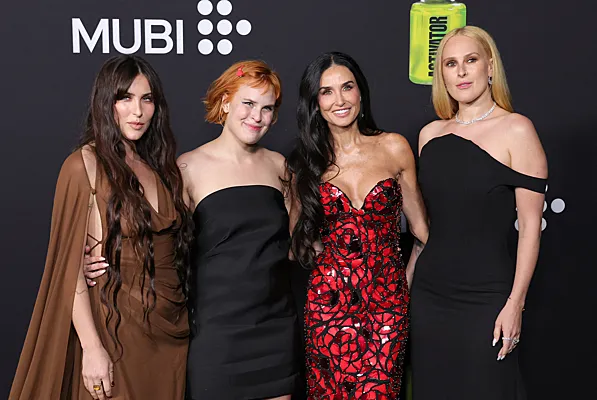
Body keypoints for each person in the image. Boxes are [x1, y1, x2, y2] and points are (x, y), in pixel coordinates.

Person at [10, 55, 192, 400]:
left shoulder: (159, 167)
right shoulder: (84, 166)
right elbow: (69, 271)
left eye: (147, 99)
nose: (137, 111)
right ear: (106, 102)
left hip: (171, 331)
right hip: (116, 331)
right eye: (125, 98)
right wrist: (92, 348)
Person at [410, 26, 548, 400]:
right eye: (450, 63)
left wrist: (515, 304)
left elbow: (530, 226)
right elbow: (429, 225)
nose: (461, 72)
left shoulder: (517, 130)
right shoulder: (429, 136)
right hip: (429, 295)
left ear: (490, 66)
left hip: (487, 296)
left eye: (470, 60)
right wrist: (408, 282)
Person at [286, 52, 429, 398]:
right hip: (327, 308)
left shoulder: (393, 147)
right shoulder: (304, 162)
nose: (340, 100)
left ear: (360, 92)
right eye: (327, 92)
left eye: (347, 87)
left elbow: (422, 233)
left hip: (386, 309)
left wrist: (401, 286)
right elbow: (296, 247)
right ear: (315, 103)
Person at [177, 60, 297, 399]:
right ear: (226, 102)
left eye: (267, 108)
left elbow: (297, 245)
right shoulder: (188, 167)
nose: (256, 117)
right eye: (248, 103)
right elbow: (168, 250)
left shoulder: (279, 166)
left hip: (275, 328)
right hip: (218, 333)